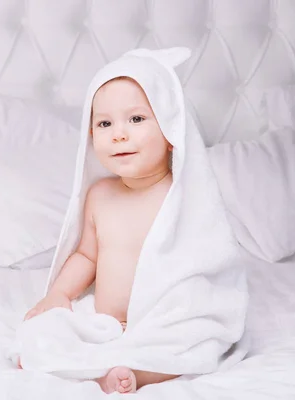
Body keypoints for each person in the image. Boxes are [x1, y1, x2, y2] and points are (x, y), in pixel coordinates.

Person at [23, 75, 179, 394]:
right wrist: (60, 295)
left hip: (164, 321)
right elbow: (87, 255)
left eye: (136, 119)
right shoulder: (100, 195)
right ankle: (81, 364)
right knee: (41, 333)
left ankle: (138, 373)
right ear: (91, 134)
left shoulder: (180, 196)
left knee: (191, 346)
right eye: (104, 124)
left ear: (171, 131)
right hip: (105, 322)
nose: (118, 134)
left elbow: (203, 259)